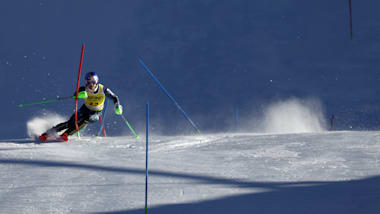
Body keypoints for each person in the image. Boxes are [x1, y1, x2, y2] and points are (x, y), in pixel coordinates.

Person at [39, 71, 123, 142]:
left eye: (93, 82)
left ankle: (66, 134)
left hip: (96, 112)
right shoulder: (84, 89)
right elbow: (75, 95)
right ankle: (47, 134)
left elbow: (114, 97)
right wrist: (79, 95)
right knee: (70, 122)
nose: (91, 85)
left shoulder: (103, 89)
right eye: (88, 82)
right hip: (85, 108)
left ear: (96, 82)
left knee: (87, 120)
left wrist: (117, 106)